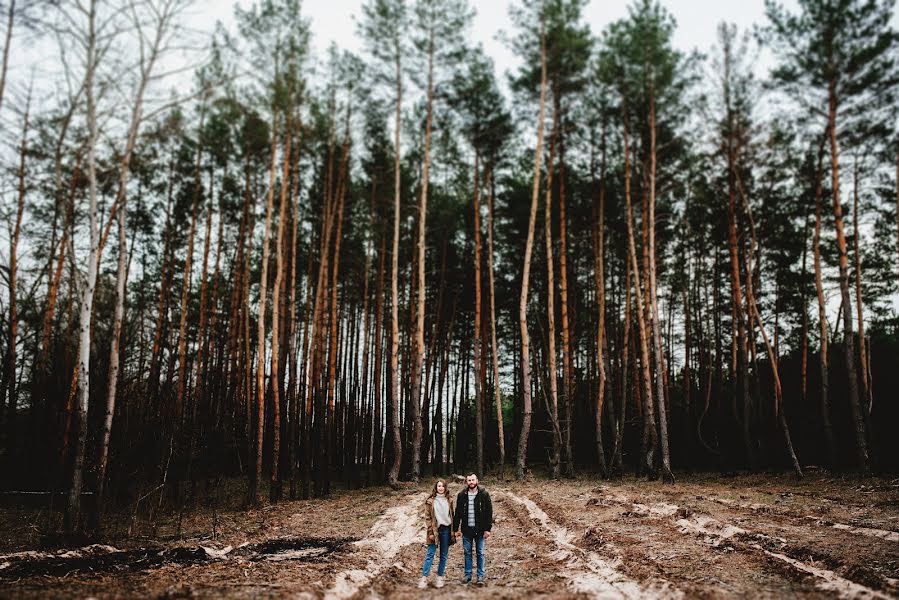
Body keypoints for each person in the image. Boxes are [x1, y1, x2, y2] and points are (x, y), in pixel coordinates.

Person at [452, 473, 493, 585]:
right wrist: (455, 529)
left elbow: (489, 513)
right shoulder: (461, 495)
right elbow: (458, 513)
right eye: (469, 480)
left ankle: (480, 576)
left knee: (480, 552)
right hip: (467, 530)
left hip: (480, 530)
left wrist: (487, 529)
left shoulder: (484, 494)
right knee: (467, 553)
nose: (471, 482)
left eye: (473, 480)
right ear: (466, 482)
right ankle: (468, 575)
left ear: (477, 481)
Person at [418, 479, 455, 589]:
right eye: (439, 486)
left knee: (443, 555)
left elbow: (452, 515)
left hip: (446, 530)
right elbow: (428, 518)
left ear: (445, 487)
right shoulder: (430, 501)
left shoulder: (450, 500)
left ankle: (439, 577)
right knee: (430, 554)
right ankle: (424, 578)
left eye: (443, 486)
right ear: (436, 487)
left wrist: (454, 530)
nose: (441, 488)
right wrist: (430, 532)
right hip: (435, 531)